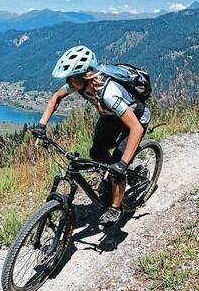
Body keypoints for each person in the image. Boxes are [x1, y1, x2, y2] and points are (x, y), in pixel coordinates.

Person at [31, 45, 151, 227]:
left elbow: (136, 128)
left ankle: (116, 208)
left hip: (135, 120)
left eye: (71, 79)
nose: (68, 83)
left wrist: (122, 164)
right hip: (111, 117)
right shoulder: (80, 85)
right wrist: (41, 125)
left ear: (85, 76)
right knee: (97, 153)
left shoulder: (109, 94)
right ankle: (127, 176)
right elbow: (56, 97)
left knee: (117, 166)